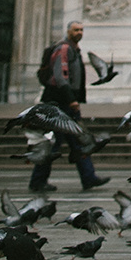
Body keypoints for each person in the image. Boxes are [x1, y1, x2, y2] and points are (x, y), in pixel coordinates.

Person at [28, 22, 107, 194]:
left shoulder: (73, 49)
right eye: (76, 30)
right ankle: (38, 180)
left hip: (65, 103)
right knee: (54, 144)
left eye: (81, 30)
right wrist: (71, 100)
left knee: (78, 141)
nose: (79, 32)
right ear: (68, 31)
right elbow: (60, 76)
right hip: (59, 104)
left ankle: (88, 177)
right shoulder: (63, 49)